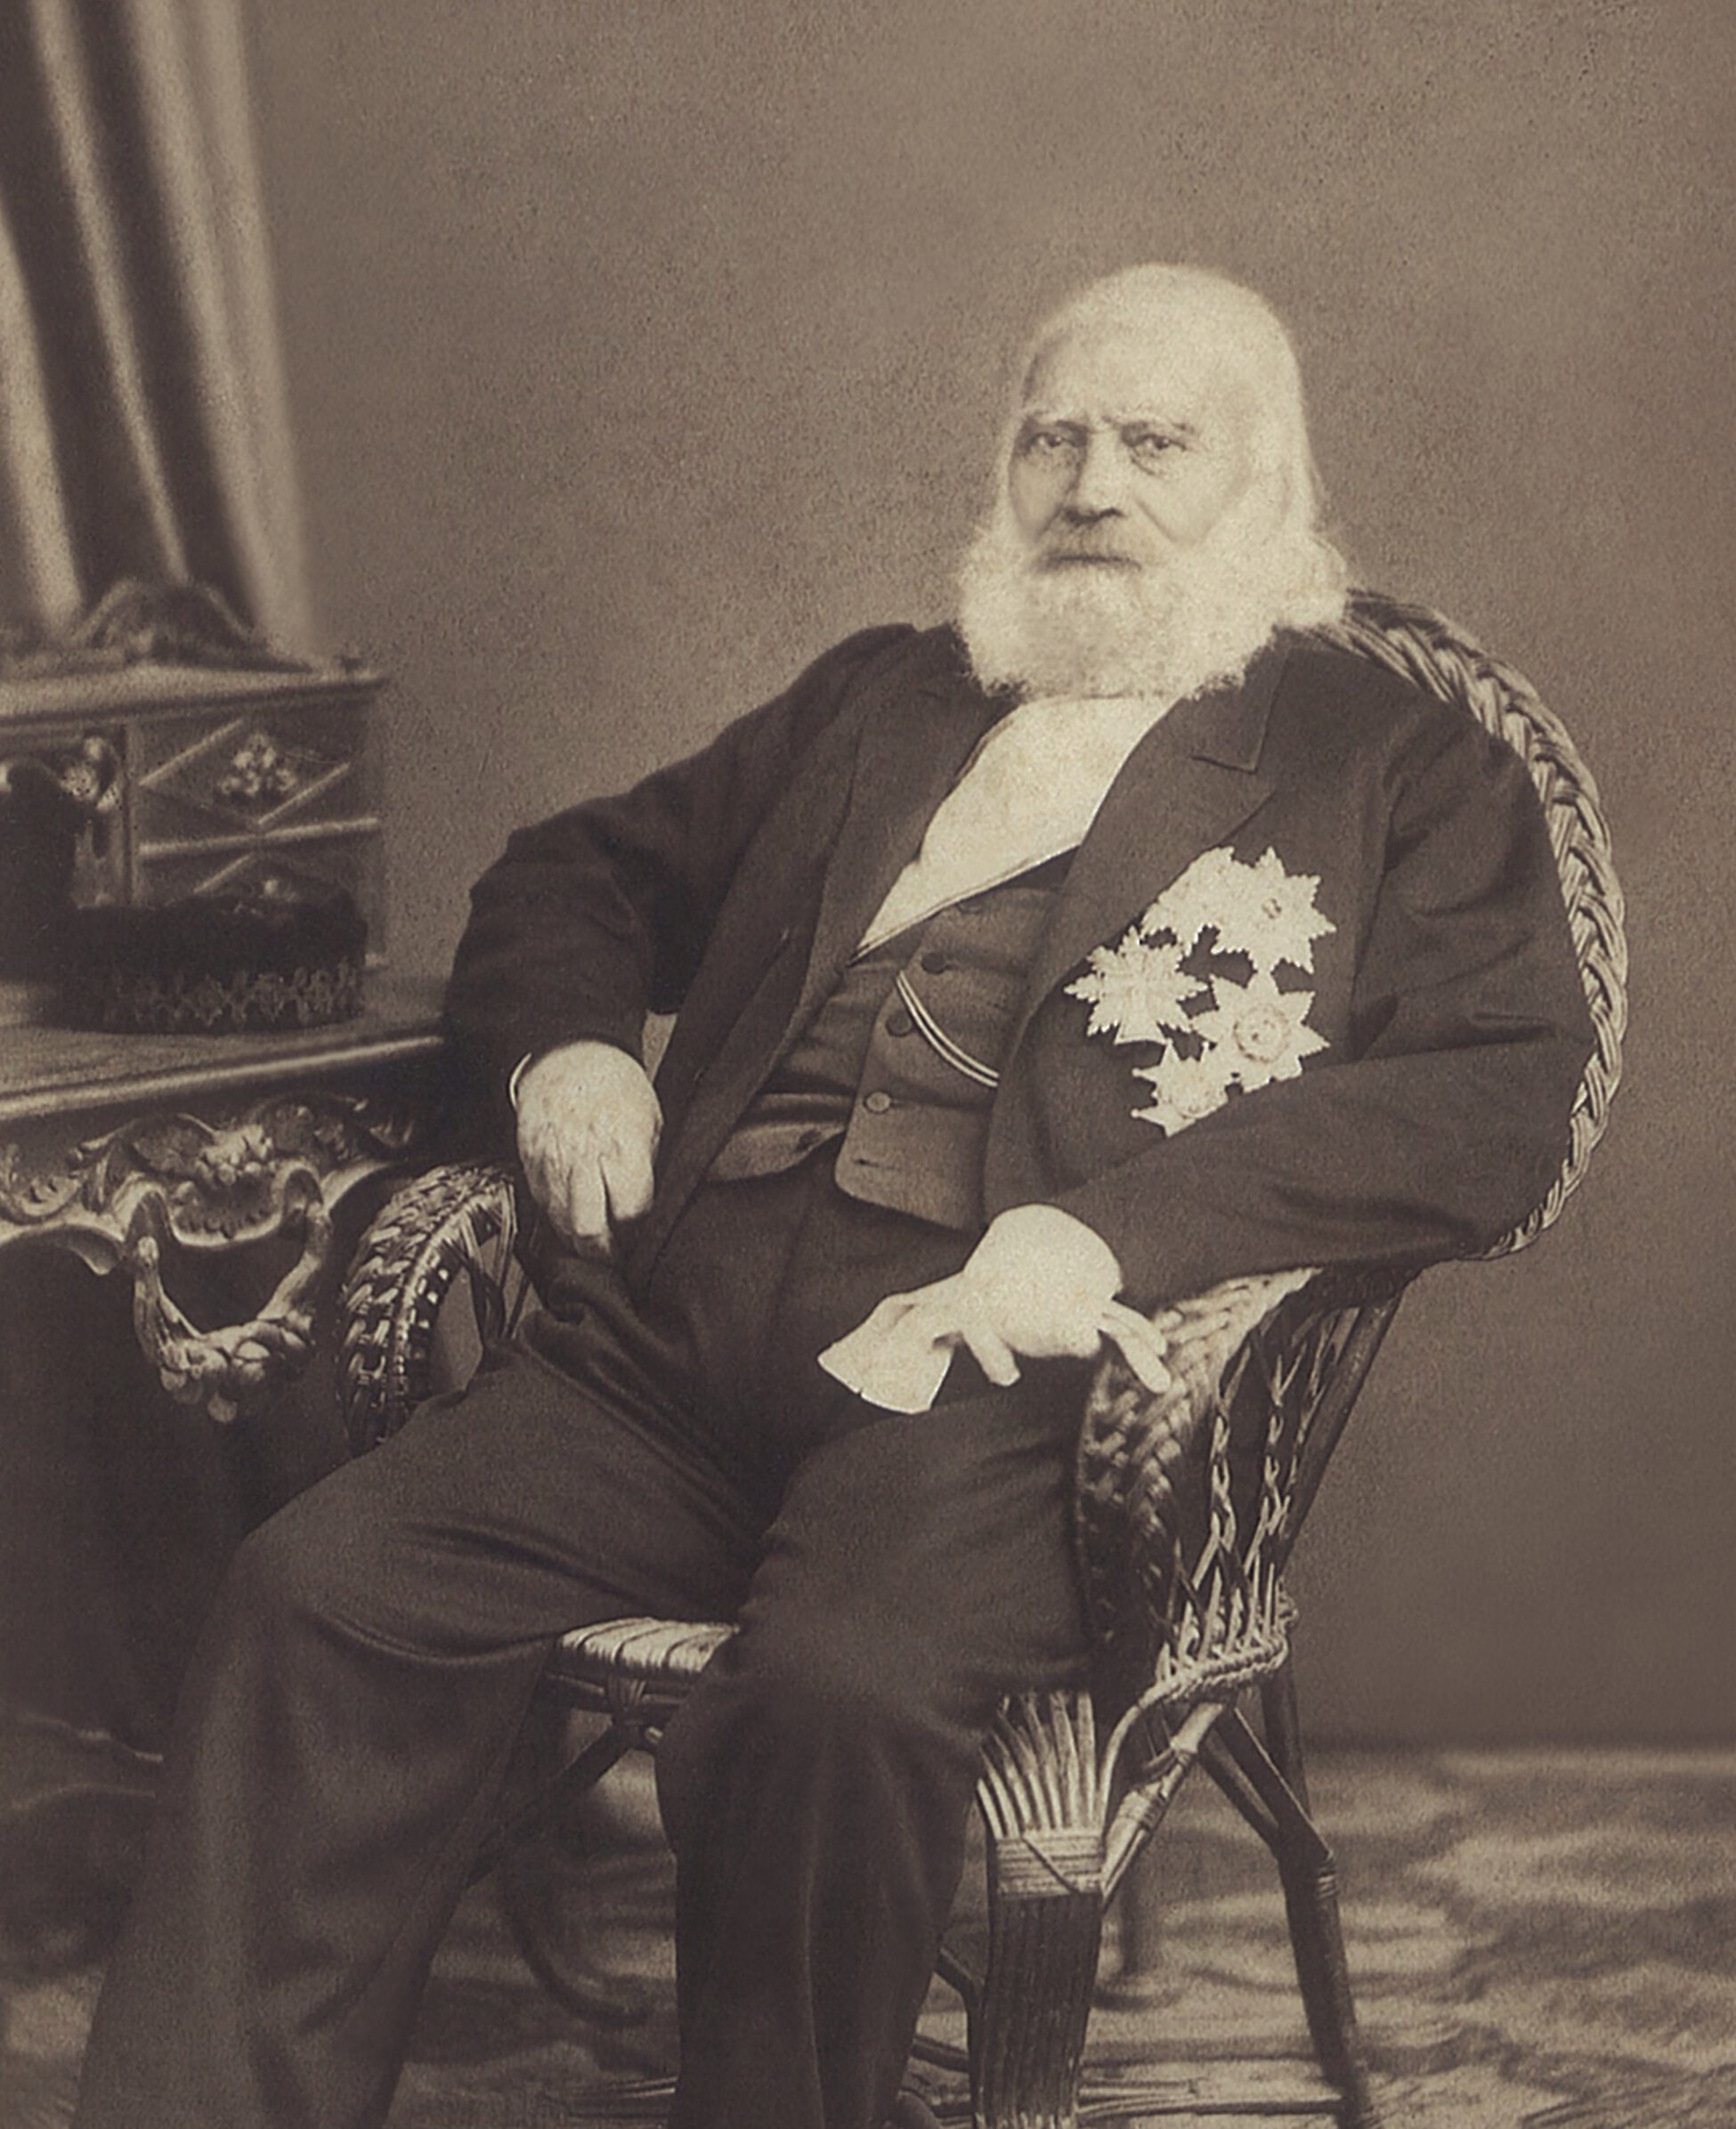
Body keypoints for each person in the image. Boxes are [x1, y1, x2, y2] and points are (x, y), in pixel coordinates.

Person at [73, 264, 1594, 2129]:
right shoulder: (888, 694)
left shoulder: (1389, 764)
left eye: (1154, 443)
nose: (1090, 488)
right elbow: (575, 873)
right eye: (1053, 439)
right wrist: (572, 1054)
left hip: (1010, 1386)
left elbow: (1491, 1091)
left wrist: (1117, 1231)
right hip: (670, 1340)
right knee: (319, 1588)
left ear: (1265, 476)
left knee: (835, 1695)